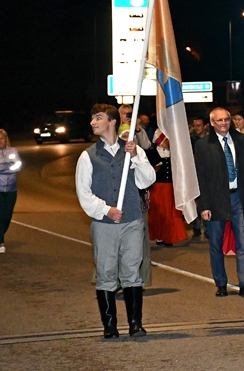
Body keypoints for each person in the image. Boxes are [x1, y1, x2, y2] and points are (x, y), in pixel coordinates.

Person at [75, 104, 156, 339]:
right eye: (92, 118)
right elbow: (83, 193)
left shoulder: (132, 150)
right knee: (106, 273)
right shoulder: (87, 156)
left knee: (132, 271)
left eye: (98, 118)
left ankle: (135, 323)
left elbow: (146, 180)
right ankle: (109, 325)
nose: (93, 122)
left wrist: (136, 158)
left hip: (132, 220)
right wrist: (105, 210)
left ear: (112, 122)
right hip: (104, 224)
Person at [194, 107, 244, 298]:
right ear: (212, 123)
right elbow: (201, 177)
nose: (224, 124)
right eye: (219, 121)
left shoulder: (243, 141)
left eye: (226, 120)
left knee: (243, 242)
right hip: (215, 200)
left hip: (239, 196)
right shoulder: (203, 145)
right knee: (216, 244)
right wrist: (203, 205)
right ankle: (221, 283)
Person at [145, 129, 188, 247]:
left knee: (171, 213)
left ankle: (169, 236)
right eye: (164, 139)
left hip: (172, 187)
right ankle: (159, 236)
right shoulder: (152, 153)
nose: (166, 142)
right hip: (157, 187)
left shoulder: (172, 152)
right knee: (159, 213)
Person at [0, 129, 22, 254]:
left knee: (7, 217)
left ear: (6, 138)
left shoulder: (13, 151)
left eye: (2, 138)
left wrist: (6, 166)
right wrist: (10, 165)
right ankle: (1, 242)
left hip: (11, 190)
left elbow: (18, 166)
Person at [190, 116, 209, 240]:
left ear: (205, 126)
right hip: (194, 173)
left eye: (199, 125)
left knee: (206, 200)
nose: (196, 128)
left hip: (207, 173)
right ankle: (196, 227)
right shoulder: (190, 140)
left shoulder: (210, 139)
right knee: (194, 201)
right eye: (195, 126)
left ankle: (207, 228)